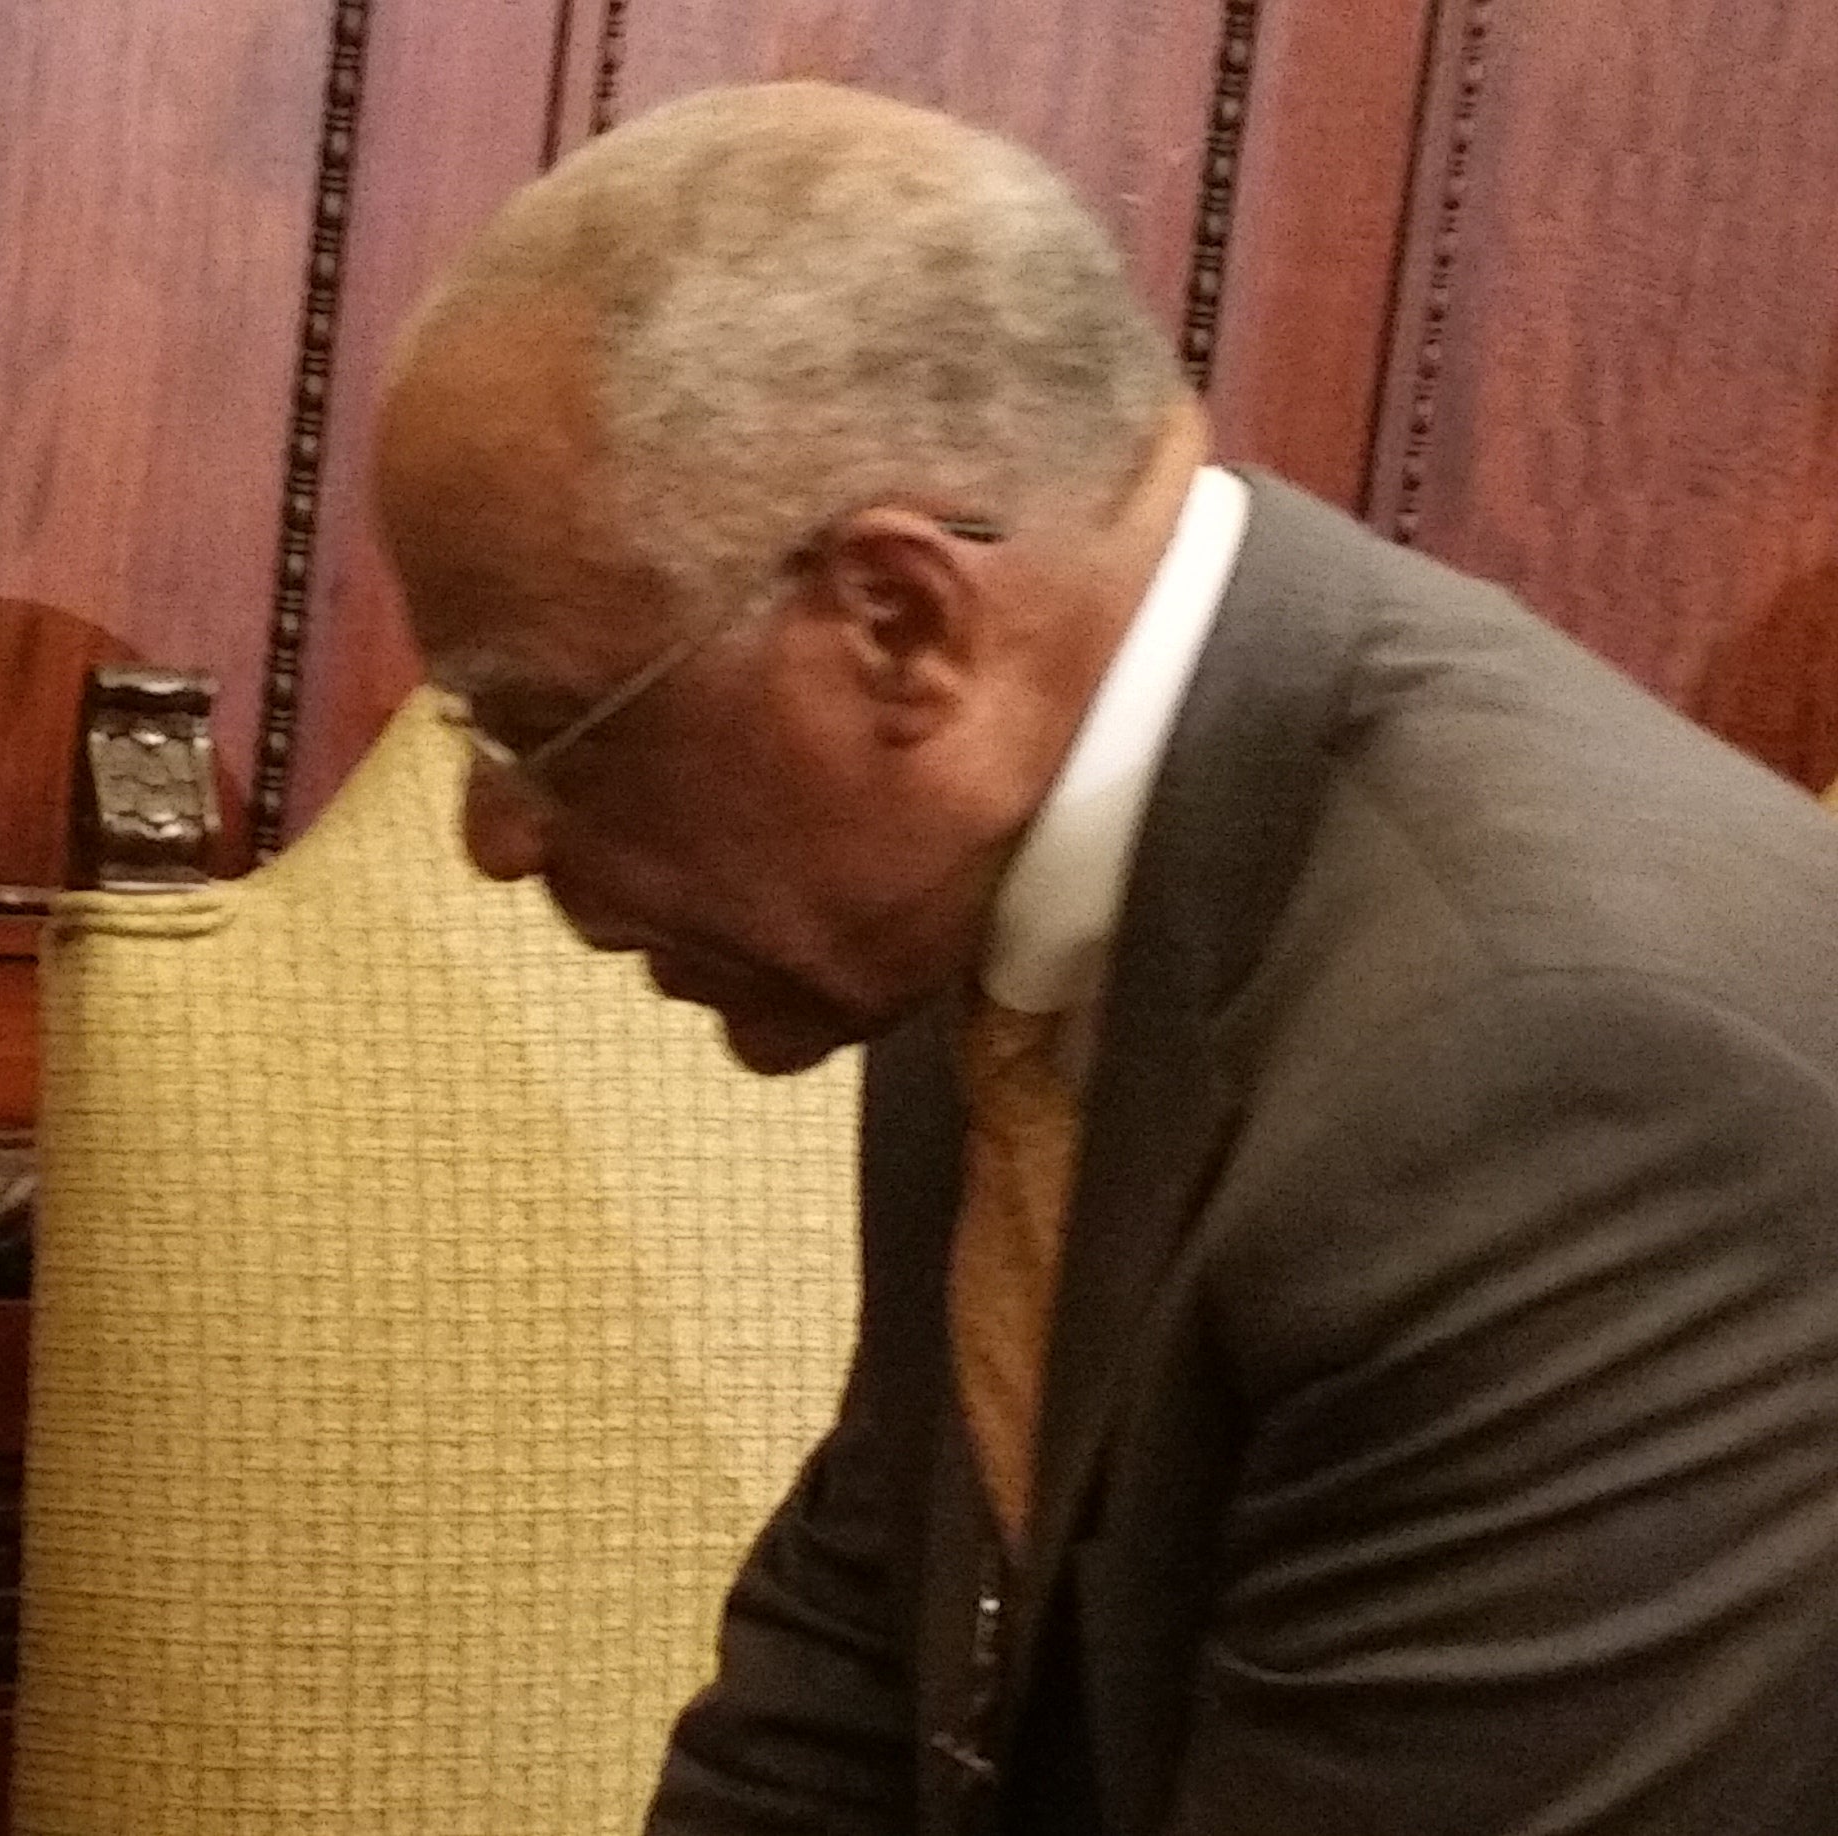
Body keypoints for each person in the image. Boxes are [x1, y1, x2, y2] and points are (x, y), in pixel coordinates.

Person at [375, 80, 1838, 1836]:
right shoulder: (1007, 876)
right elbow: (840, 1708)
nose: (496, 834)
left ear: (902, 627)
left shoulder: (1555, 1072)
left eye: (546, 727)